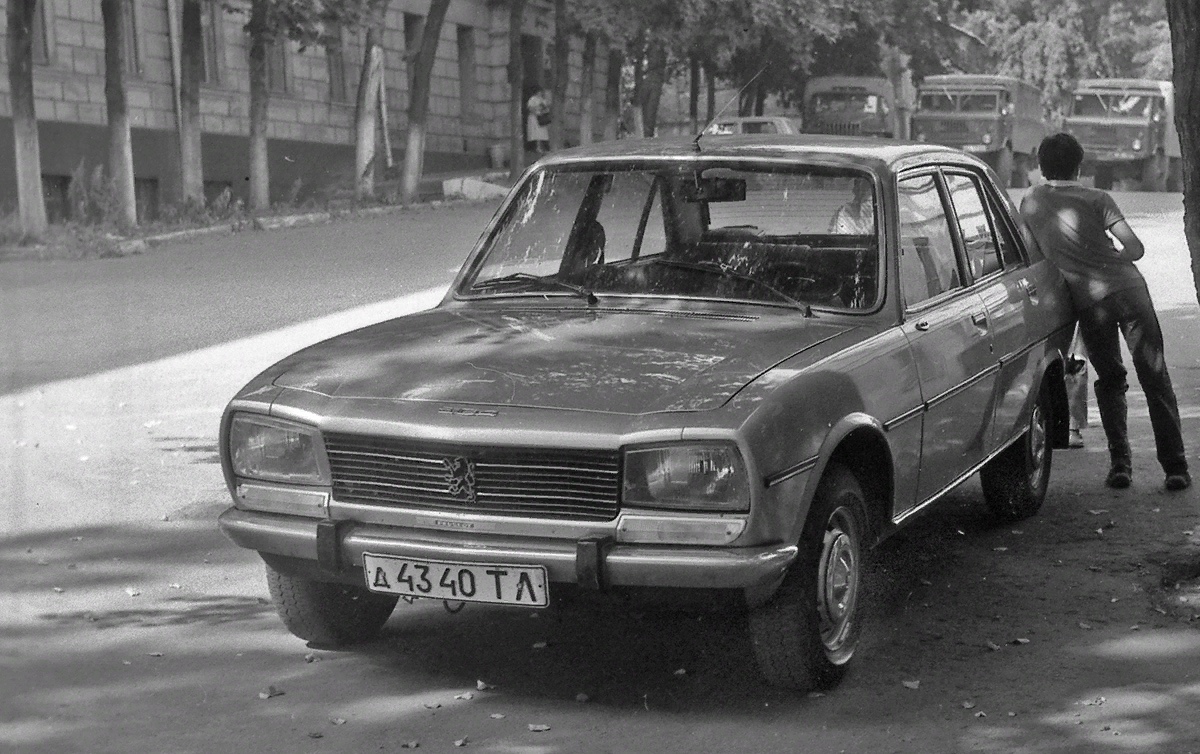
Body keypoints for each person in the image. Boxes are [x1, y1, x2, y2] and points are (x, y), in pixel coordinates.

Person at [1020, 132, 1190, 491]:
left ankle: (1120, 466)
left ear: (1041, 166)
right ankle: (1176, 468)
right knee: (1154, 377)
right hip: (1130, 291)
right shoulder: (1098, 198)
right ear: (1080, 167)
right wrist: (1109, 258)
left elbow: (1034, 256)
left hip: (1090, 303)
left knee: (1111, 380)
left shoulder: (1031, 201)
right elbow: (1135, 248)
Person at [526, 87, 551, 154]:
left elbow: (546, 108)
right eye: (538, 92)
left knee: (542, 133)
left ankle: (542, 147)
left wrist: (544, 111)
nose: (540, 93)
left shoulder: (542, 100)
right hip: (534, 118)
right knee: (536, 133)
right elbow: (530, 108)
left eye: (540, 92)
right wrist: (536, 111)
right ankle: (537, 147)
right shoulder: (532, 99)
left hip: (541, 118)